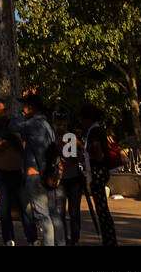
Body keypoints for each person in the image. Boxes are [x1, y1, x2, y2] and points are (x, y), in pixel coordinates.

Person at [0, 100, 29, 246]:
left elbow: (23, 143)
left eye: (6, 110)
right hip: (1, 174)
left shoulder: (14, 125)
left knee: (26, 208)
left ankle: (32, 237)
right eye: (2, 110)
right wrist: (8, 141)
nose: (5, 113)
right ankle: (9, 239)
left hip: (18, 172)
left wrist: (2, 143)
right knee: (4, 210)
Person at [20, 93, 57, 245]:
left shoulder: (36, 125)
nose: (22, 109)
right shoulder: (45, 124)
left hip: (37, 175)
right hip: (41, 174)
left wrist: (42, 173)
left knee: (43, 215)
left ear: (31, 108)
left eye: (25, 107)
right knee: (33, 210)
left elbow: (41, 152)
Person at [81, 105, 117, 246]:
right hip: (99, 171)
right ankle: (108, 239)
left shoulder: (94, 131)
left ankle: (109, 240)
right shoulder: (97, 129)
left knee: (102, 210)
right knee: (102, 210)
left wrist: (95, 157)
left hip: (98, 172)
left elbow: (96, 149)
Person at [53, 111, 85, 246]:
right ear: (54, 124)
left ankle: (75, 238)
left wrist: (69, 143)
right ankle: (63, 239)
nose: (62, 127)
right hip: (59, 180)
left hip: (74, 178)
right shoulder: (51, 137)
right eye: (59, 124)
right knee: (59, 213)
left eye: (64, 125)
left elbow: (73, 157)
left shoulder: (70, 137)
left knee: (74, 211)